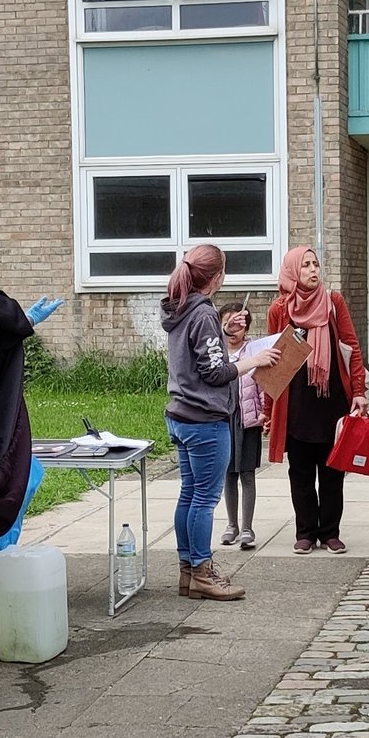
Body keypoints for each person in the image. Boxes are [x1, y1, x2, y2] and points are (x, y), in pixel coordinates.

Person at [161, 244, 277, 602]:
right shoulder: (204, 314)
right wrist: (253, 361)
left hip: (180, 414)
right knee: (204, 499)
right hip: (205, 421)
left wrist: (223, 331)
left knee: (189, 494)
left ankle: (187, 571)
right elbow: (215, 372)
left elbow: (201, 355)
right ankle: (202, 571)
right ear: (218, 277)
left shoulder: (180, 309)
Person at [266, 246, 369, 554]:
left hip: (332, 403)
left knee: (332, 471)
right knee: (299, 472)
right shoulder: (280, 310)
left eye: (316, 264)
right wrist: (267, 410)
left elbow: (351, 346)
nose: (313, 270)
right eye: (306, 265)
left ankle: (331, 532)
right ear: (293, 272)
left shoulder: (333, 302)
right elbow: (271, 362)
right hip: (295, 405)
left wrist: (360, 393)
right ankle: (306, 533)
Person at [220, 305, 266, 552]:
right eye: (229, 323)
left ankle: (247, 528)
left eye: (240, 324)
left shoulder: (253, 351)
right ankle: (231, 525)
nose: (235, 329)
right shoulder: (216, 352)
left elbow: (262, 383)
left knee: (247, 473)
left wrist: (263, 411)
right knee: (228, 473)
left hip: (248, 420)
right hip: (223, 420)